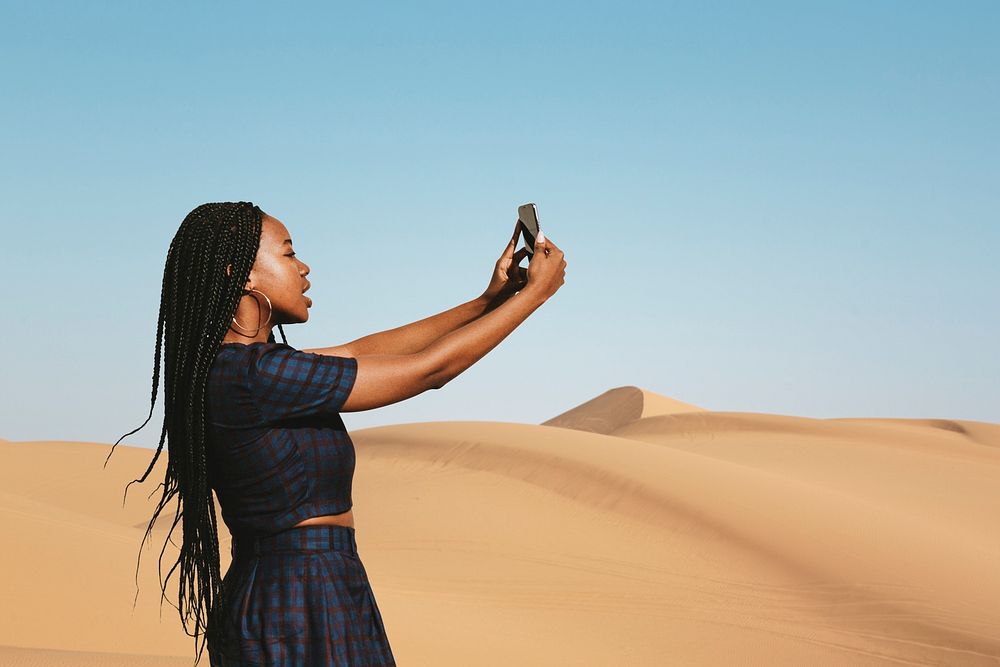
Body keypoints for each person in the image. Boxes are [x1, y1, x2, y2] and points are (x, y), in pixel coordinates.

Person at [105, 201, 566, 666]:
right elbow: (429, 371)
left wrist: (488, 301)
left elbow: (361, 351)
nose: (303, 269)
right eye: (287, 255)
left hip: (310, 584)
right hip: (301, 596)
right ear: (240, 273)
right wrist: (533, 298)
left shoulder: (245, 370)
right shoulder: (253, 374)